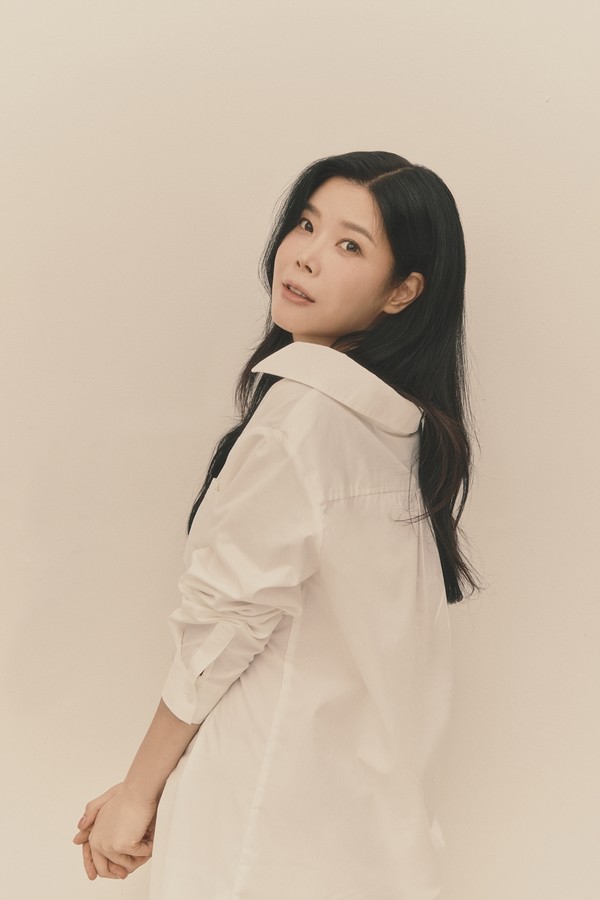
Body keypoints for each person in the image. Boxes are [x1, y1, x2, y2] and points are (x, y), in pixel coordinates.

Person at [72, 150, 479, 898]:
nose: (306, 256)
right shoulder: (396, 431)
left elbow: (223, 628)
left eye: (350, 245)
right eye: (307, 224)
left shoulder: (305, 418)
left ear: (402, 291)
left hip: (256, 813)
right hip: (351, 823)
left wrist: (138, 791)